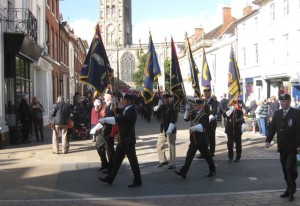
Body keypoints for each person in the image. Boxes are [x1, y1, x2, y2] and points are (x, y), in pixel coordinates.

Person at [98, 94, 142, 187]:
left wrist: (106, 119)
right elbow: (115, 111)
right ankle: (110, 178)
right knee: (116, 161)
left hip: (128, 141)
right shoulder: (125, 110)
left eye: (124, 100)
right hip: (122, 140)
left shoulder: (131, 111)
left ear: (129, 101)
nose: (122, 101)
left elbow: (121, 118)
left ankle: (138, 180)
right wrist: (113, 103)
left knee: (133, 162)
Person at [265, 93, 300, 202]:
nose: (282, 103)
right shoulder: (278, 113)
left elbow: (299, 130)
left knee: (290, 168)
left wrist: (299, 145)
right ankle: (289, 187)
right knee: (285, 169)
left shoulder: (296, 113)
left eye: (284, 101)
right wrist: (268, 140)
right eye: (281, 101)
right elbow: (273, 128)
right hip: (282, 146)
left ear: (289, 101)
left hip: (293, 147)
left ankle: (291, 191)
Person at [175, 99, 216, 179]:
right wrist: (186, 110)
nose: (194, 106)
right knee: (189, 156)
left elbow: (202, 127)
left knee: (207, 156)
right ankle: (183, 172)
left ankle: (213, 170)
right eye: (194, 105)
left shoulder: (204, 115)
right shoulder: (193, 113)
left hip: (201, 139)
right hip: (193, 139)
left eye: (196, 105)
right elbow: (186, 119)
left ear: (201, 105)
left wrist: (194, 128)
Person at [153, 93, 178, 169]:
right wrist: (158, 106)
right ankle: (163, 160)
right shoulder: (163, 106)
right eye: (164, 99)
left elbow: (173, 119)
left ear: (171, 99)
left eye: (167, 98)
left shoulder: (174, 107)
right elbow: (156, 115)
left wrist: (170, 129)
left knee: (171, 146)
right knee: (159, 144)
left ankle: (173, 163)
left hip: (170, 128)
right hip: (163, 129)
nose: (165, 100)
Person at [198, 88, 219, 158]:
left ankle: (211, 153)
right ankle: (203, 153)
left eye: (207, 93)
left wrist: (206, 121)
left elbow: (214, 112)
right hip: (203, 123)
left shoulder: (214, 102)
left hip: (211, 123)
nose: (206, 94)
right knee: (203, 139)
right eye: (205, 93)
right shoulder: (203, 101)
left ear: (210, 93)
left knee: (211, 139)